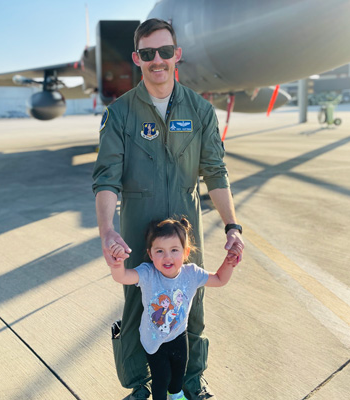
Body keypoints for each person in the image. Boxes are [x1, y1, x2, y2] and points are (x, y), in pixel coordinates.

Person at [92, 18, 244, 400]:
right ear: (137, 58)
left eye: (164, 51)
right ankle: (138, 386)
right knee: (134, 305)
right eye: (148, 53)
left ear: (176, 54)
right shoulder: (120, 113)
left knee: (191, 303)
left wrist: (232, 226)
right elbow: (106, 177)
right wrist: (107, 230)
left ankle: (191, 381)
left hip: (185, 228)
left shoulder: (200, 110)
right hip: (138, 225)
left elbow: (215, 171)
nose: (156, 60)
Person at [109, 218, 241, 400]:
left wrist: (229, 262)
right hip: (154, 340)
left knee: (179, 373)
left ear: (185, 252)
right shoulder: (148, 273)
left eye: (174, 250)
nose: (167, 257)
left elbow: (219, 279)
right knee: (161, 379)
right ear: (150, 253)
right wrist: (117, 264)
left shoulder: (192, 274)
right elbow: (122, 276)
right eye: (160, 251)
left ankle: (176, 394)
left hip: (179, 335)